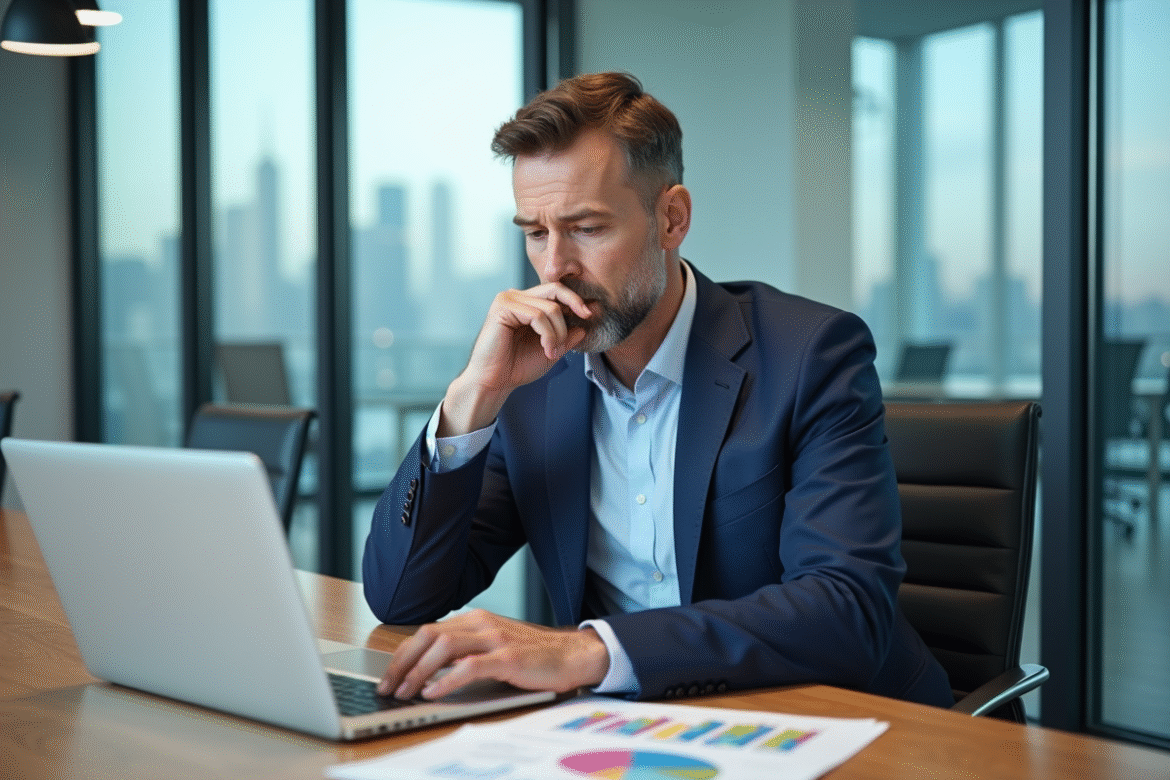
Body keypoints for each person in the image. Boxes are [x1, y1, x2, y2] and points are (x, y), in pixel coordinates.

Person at [363, 72, 953, 708]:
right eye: (536, 232)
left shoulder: (812, 354)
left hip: (836, 721)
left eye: (587, 228)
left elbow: (846, 609)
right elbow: (402, 597)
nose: (554, 266)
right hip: (630, 734)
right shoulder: (533, 380)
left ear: (672, 218)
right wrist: (471, 399)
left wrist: (591, 650)